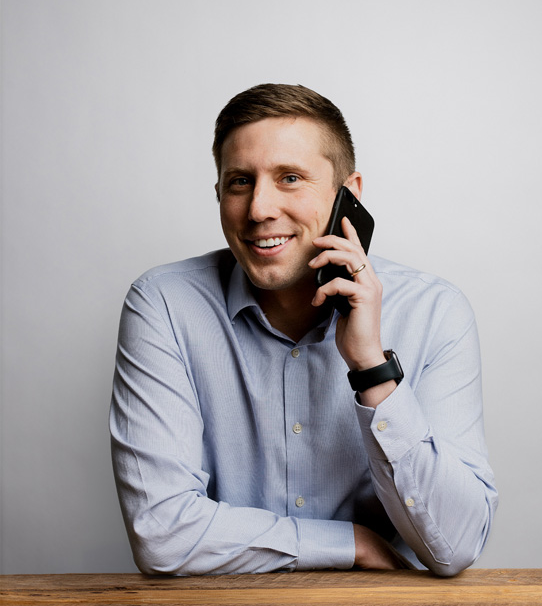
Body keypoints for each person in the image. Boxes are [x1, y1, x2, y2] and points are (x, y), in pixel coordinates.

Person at [110, 83, 498, 576]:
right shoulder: (164, 304)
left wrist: (372, 368)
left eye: (290, 178)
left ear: (348, 195)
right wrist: (350, 543)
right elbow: (161, 534)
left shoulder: (435, 311)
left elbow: (455, 545)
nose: (259, 209)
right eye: (240, 182)